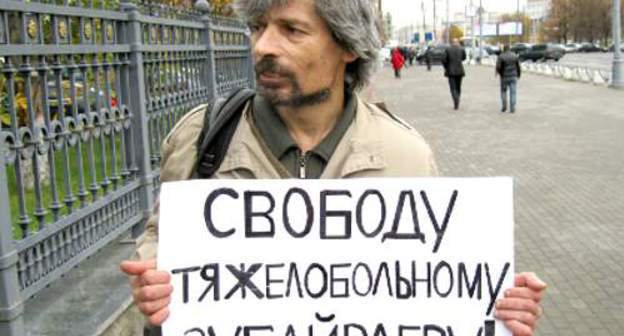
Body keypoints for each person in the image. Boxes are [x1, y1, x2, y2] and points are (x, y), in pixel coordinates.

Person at [120, 1, 546, 336]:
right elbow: (163, 234)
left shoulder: (405, 155)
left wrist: (499, 307)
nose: (263, 46)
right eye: (258, 27)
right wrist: (154, 273)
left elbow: (439, 281)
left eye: (291, 29)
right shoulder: (201, 136)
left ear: (347, 45)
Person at [442, 38, 467, 110]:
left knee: (453, 88)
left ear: (451, 43)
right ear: (458, 42)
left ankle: (456, 100)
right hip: (460, 71)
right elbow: (464, 58)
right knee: (458, 87)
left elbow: (443, 60)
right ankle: (457, 98)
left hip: (450, 72)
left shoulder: (448, 49)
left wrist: (446, 67)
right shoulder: (462, 49)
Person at [496, 44, 521, 113]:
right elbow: (518, 66)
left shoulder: (501, 56)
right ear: (509, 49)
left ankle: (504, 106)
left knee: (503, 91)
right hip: (513, 76)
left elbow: (498, 67)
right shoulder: (514, 56)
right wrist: (518, 74)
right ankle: (512, 108)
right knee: (513, 92)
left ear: (504, 49)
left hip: (504, 77)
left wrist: (501, 73)